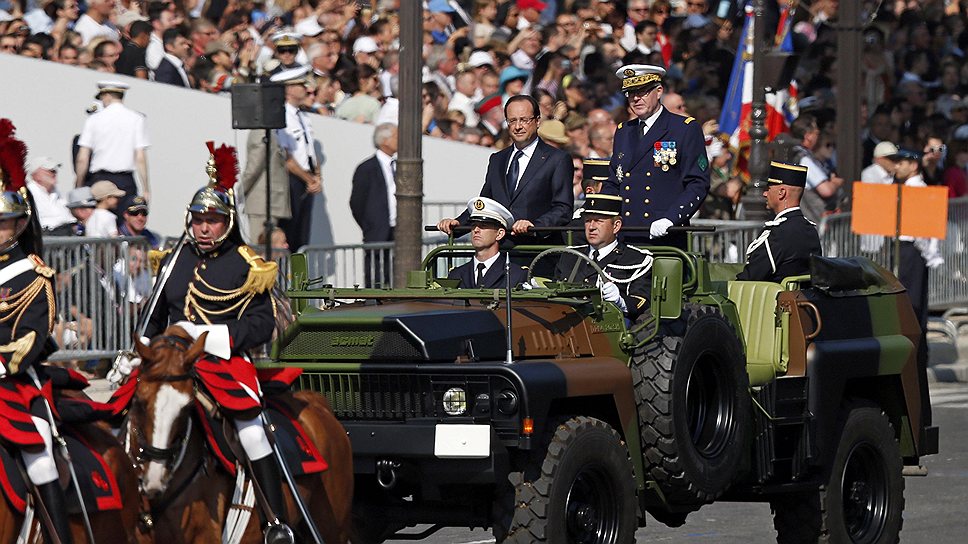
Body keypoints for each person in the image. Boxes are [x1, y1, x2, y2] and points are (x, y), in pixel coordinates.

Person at [111, 142, 291, 538]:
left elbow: (263, 324)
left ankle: (276, 521)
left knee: (252, 431)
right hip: (168, 362)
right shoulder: (176, 258)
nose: (203, 228)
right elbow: (154, 315)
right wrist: (138, 349)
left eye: (212, 220)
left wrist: (210, 337)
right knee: (118, 416)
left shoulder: (247, 264)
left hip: (222, 362)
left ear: (227, 222)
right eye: (197, 220)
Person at [0, 122, 74, 543]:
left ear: (20, 225)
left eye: (4, 223)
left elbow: (31, 337)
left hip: (15, 381)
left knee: (40, 455)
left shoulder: (33, 276)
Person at [437, 94, 574, 244]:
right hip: (501, 251)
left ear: (537, 121)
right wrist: (458, 223)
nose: (518, 126)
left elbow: (563, 208)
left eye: (524, 120)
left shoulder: (557, 159)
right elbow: (486, 202)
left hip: (537, 252)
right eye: (512, 120)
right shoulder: (498, 159)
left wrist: (536, 227)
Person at [604, 65, 709, 250]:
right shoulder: (624, 131)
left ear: (658, 91)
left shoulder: (683, 129)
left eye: (643, 92)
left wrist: (672, 217)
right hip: (626, 233)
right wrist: (597, 209)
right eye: (630, 93)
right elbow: (614, 181)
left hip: (664, 235)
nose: (636, 98)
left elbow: (697, 183)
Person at [554, 194, 652, 319]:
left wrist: (620, 301)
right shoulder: (570, 256)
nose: (591, 227)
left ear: (616, 226)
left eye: (599, 221)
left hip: (610, 327)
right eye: (588, 221)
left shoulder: (636, 260)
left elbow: (642, 303)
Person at [737, 162, 822, 283]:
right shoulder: (811, 231)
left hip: (775, 301)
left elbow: (750, 278)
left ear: (782, 192)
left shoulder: (777, 234)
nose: (764, 193)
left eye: (769, 189)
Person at [271, 66, 322, 251]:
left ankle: (298, 278)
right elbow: (286, 157)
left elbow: (310, 151)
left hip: (307, 181)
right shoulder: (282, 116)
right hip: (293, 181)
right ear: (289, 89)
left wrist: (317, 177)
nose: (306, 89)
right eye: (300, 84)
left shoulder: (303, 116)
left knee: (302, 236)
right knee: (290, 235)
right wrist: (310, 179)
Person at [74, 81, 150, 200]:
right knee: (126, 217)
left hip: (99, 180)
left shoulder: (94, 119)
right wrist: (146, 188)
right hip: (126, 181)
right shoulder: (137, 119)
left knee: (100, 217)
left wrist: (79, 185)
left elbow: (82, 158)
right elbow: (140, 157)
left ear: (107, 96)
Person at [350, 123, 398, 288]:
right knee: (376, 274)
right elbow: (357, 202)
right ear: (384, 140)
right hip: (377, 231)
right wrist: (369, 225)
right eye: (396, 136)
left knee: (396, 272)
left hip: (397, 229)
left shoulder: (399, 166)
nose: (400, 140)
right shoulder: (366, 168)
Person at [447, 197, 528, 288]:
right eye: (473, 225)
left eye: (483, 226)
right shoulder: (456, 275)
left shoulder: (516, 275)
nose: (476, 230)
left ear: (500, 234)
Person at [241, 127, 290, 247]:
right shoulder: (265, 131)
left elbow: (255, 166)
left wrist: (240, 190)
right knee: (265, 250)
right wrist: (240, 191)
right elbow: (255, 165)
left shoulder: (266, 132)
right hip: (265, 202)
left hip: (267, 202)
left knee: (267, 250)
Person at [25, 155, 75, 235]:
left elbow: (68, 217)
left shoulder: (57, 193)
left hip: (65, 238)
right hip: (45, 239)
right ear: (36, 174)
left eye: (55, 170)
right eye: (51, 171)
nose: (54, 173)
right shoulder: (28, 193)